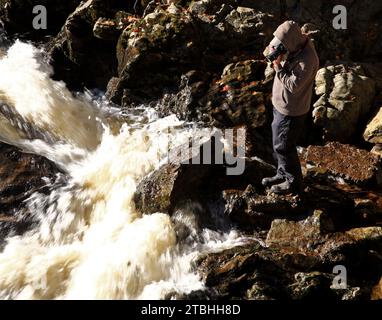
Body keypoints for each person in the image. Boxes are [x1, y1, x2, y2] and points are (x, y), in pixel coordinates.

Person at [262, 20, 319, 194]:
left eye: (284, 46)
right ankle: (282, 173)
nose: (282, 49)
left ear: (292, 42)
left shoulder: (308, 60)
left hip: (291, 111)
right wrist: (273, 53)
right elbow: (272, 49)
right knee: (278, 143)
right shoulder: (295, 44)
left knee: (284, 146)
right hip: (280, 105)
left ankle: (293, 183)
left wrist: (278, 67)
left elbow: (294, 86)